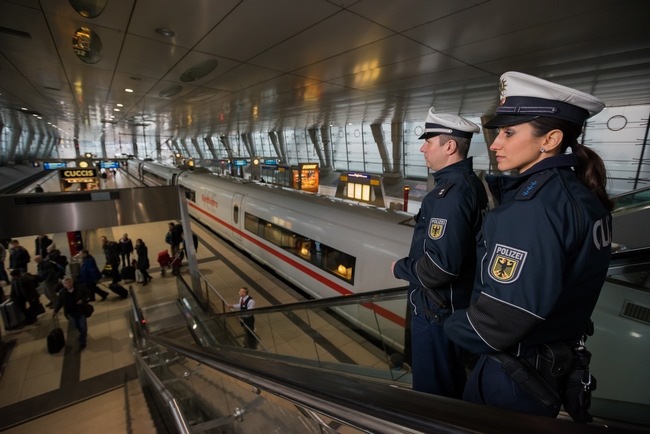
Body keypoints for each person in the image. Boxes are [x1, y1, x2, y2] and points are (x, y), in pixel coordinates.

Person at [444, 71, 613, 420]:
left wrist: (448, 324)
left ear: (549, 139)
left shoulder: (532, 208)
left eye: (508, 132)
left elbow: (501, 320)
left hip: (511, 376)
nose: (494, 144)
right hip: (550, 368)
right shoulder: (580, 197)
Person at [390, 108, 489, 397]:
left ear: (449, 147)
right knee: (450, 381)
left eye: (428, 142)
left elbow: (441, 267)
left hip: (436, 311)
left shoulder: (449, 195)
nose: (422, 148)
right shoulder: (471, 184)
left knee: (433, 393)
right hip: (454, 307)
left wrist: (400, 267)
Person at [53, 277, 89, 351]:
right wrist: (55, 311)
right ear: (64, 285)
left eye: (69, 282)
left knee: (83, 326)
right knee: (77, 325)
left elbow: (87, 294)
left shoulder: (79, 289)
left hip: (80, 311)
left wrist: (82, 300)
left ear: (72, 282)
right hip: (71, 313)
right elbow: (60, 303)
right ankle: (82, 334)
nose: (68, 284)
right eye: (66, 283)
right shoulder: (62, 293)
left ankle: (82, 341)